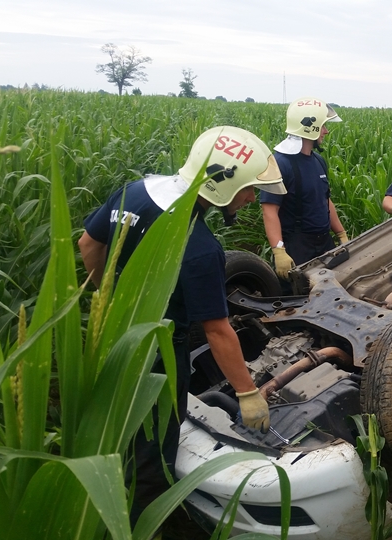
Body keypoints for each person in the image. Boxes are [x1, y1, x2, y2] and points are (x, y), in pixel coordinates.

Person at [79, 125, 279, 524]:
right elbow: (217, 330)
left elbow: (89, 245)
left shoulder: (134, 191)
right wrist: (247, 392)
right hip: (158, 357)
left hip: (114, 336)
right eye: (249, 189)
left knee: (112, 426)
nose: (253, 198)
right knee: (152, 451)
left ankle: (93, 496)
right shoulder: (199, 246)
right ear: (225, 184)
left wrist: (113, 300)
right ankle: (139, 524)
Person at [263, 97, 348, 284]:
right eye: (323, 126)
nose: (326, 131)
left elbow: (325, 200)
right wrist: (279, 251)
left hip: (324, 242)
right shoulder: (281, 164)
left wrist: (341, 235)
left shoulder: (318, 160)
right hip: (298, 246)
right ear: (310, 127)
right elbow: (270, 209)